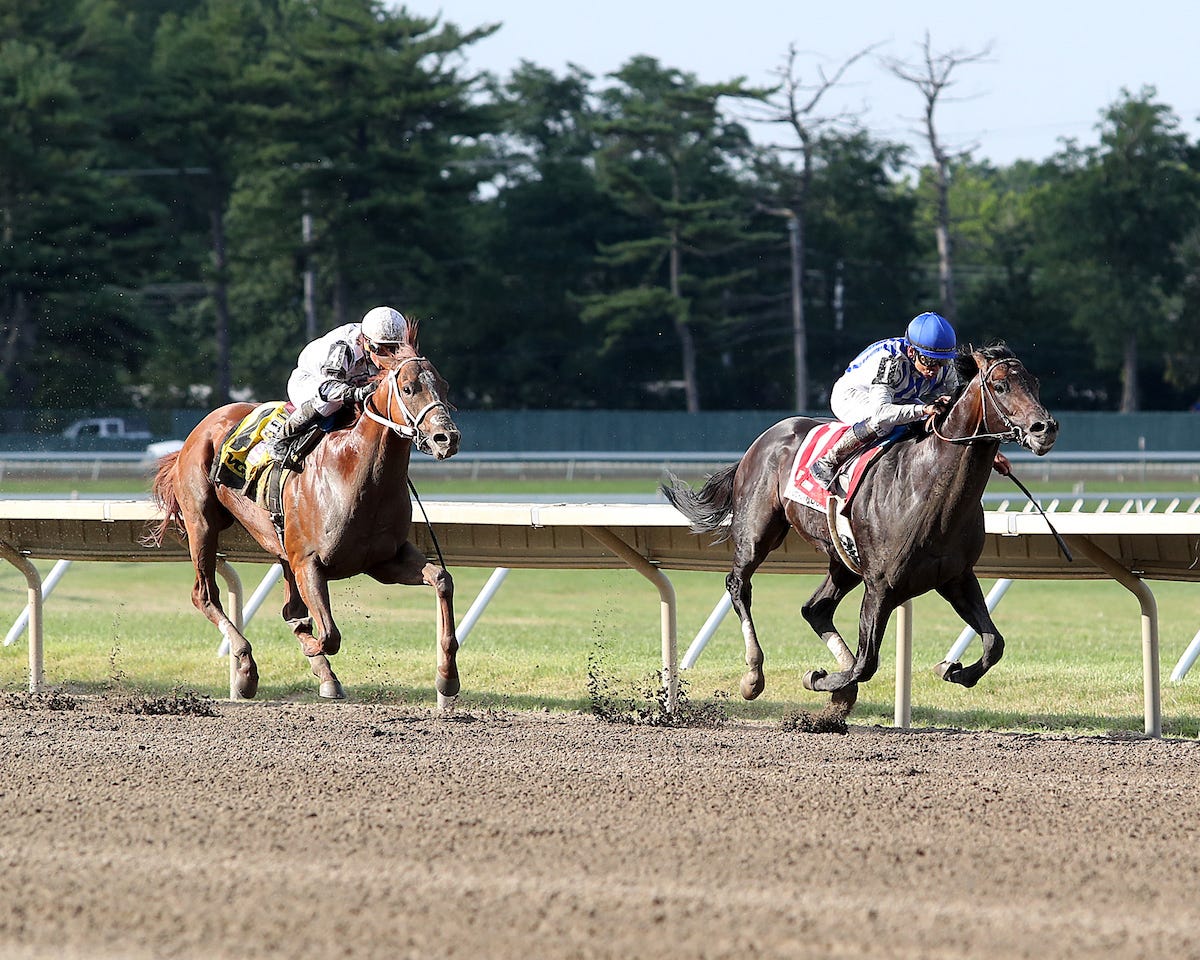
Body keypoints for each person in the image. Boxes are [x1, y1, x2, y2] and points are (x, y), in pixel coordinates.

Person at [810, 311, 963, 489]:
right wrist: (923, 409)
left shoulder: (945, 366)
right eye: (928, 361)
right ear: (912, 351)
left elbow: (957, 404)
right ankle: (827, 461)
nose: (934, 369)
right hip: (852, 395)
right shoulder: (890, 361)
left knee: (935, 419)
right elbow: (882, 412)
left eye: (941, 362)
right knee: (883, 423)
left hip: (897, 398)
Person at [265, 305, 411, 465]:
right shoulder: (343, 347)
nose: (389, 355)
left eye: (394, 349)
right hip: (311, 382)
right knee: (330, 404)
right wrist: (359, 393)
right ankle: (281, 439)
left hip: (350, 382)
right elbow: (328, 388)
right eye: (382, 350)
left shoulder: (379, 337)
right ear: (368, 343)